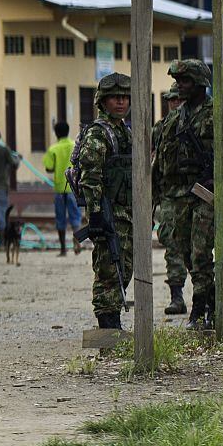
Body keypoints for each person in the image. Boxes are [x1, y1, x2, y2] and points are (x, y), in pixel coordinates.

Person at [153, 59, 223, 330]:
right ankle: (210, 300)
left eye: (186, 81)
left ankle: (200, 309)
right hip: (179, 195)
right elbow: (161, 160)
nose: (180, 86)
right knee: (183, 251)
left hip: (207, 195)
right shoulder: (173, 119)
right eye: (178, 80)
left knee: (201, 252)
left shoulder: (218, 115)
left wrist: (218, 181)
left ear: (200, 84)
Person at [77, 73, 133, 330]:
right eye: (115, 98)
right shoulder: (98, 134)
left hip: (127, 211)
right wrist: (96, 213)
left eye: (124, 97)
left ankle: (113, 322)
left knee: (126, 266)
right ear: (103, 101)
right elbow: (91, 176)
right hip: (108, 211)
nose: (121, 102)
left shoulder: (126, 132)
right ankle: (108, 325)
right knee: (109, 268)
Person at [152, 86, 188, 316]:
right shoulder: (160, 128)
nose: (174, 103)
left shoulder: (196, 124)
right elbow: (153, 161)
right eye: (170, 100)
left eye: (178, 99)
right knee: (171, 241)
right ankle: (177, 296)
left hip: (193, 194)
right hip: (168, 195)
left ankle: (205, 299)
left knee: (197, 248)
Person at [43, 121, 82, 257]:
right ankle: (77, 242)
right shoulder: (74, 146)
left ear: (56, 133)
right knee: (75, 217)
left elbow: (48, 167)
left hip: (59, 188)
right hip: (73, 187)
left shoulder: (53, 149)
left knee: (60, 219)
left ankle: (63, 249)